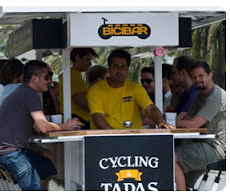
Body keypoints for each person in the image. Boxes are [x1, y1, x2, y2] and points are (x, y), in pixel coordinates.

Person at [0, 60, 82, 190]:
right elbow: (43, 126)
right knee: (33, 188)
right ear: (35, 79)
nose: (50, 80)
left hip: (6, 150)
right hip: (9, 153)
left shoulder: (24, 92)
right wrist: (66, 126)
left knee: (45, 164)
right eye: (47, 76)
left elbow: (38, 127)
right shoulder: (29, 93)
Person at [87, 49, 174, 130]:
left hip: (133, 138)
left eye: (123, 67)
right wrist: (114, 136)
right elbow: (97, 117)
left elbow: (150, 108)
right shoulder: (96, 90)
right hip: (104, 140)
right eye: (116, 66)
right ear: (109, 68)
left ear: (127, 69)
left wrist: (160, 123)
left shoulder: (135, 88)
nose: (119, 70)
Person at [174, 61, 226, 191]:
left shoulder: (215, 96)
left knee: (169, 156)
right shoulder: (200, 96)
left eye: (201, 76)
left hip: (217, 146)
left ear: (210, 75)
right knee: (170, 150)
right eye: (194, 77)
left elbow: (193, 124)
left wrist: (167, 123)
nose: (197, 80)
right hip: (202, 142)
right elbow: (186, 118)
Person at [59, 48, 98, 129]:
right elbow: (80, 100)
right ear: (77, 58)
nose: (89, 63)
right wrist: (99, 106)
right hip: (80, 121)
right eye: (87, 60)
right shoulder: (73, 75)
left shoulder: (74, 74)